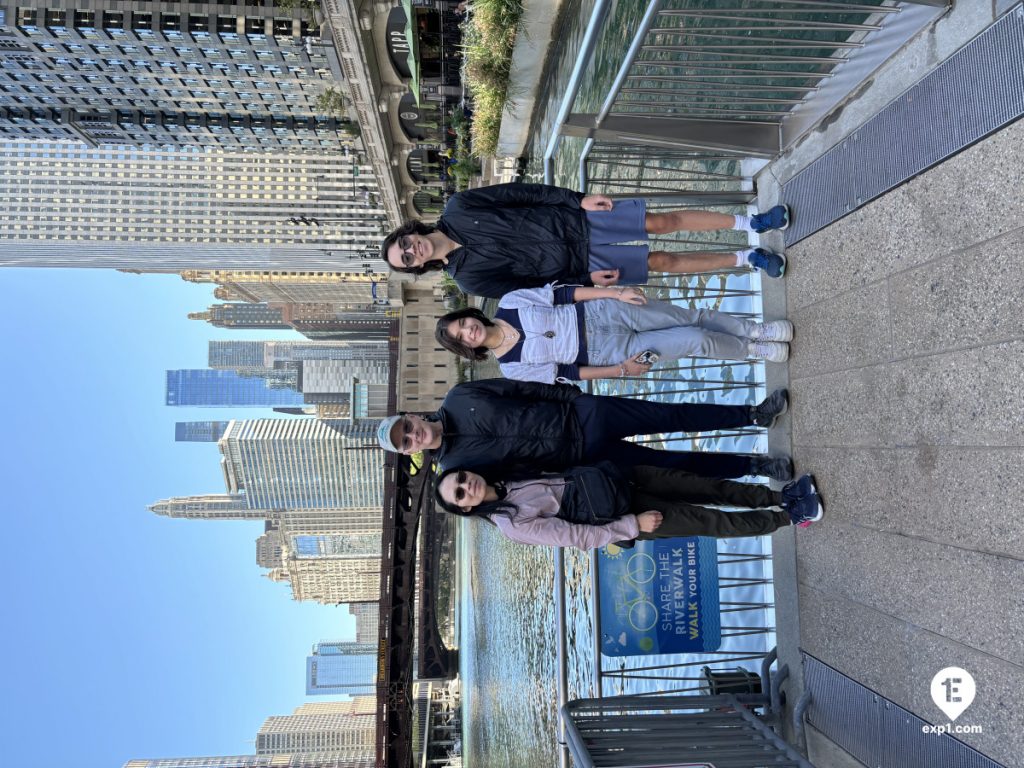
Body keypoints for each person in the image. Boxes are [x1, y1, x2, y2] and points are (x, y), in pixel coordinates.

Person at [381, 183, 790, 298]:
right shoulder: (470, 280)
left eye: (405, 246)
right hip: (582, 267)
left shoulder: (459, 207)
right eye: (407, 261)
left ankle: (751, 221)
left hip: (576, 223)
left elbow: (524, 193)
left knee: (662, 221)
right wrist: (591, 284)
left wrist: (577, 200)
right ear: (418, 268)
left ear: (410, 234)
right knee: (663, 263)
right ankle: (747, 257)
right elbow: (537, 290)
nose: (411, 252)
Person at [376, 379, 793, 481]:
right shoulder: (453, 470)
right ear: (411, 451)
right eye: (407, 443)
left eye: (407, 428)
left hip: (585, 415)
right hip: (582, 459)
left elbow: (521, 389)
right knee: (672, 466)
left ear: (412, 415)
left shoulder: (460, 394)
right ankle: (757, 467)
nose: (415, 437)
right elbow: (514, 484)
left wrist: (573, 397)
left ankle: (752, 414)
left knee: (670, 416)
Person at [436, 286, 794, 382]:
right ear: (465, 348)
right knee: (693, 340)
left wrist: (615, 293)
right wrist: (622, 370)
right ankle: (752, 349)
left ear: (470, 315)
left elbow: (564, 294)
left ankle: (756, 330)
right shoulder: (511, 367)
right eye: (462, 337)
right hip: (607, 351)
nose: (469, 331)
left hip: (603, 310)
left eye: (464, 323)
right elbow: (568, 373)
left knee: (690, 314)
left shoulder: (512, 302)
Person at [435, 463, 824, 550]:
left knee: (705, 486)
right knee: (711, 521)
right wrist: (631, 526)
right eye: (461, 494)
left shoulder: (507, 475)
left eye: (461, 479)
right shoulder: (511, 523)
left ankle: (781, 495)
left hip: (618, 480)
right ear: (466, 509)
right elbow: (575, 537)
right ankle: (790, 517)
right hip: (625, 513)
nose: (467, 486)